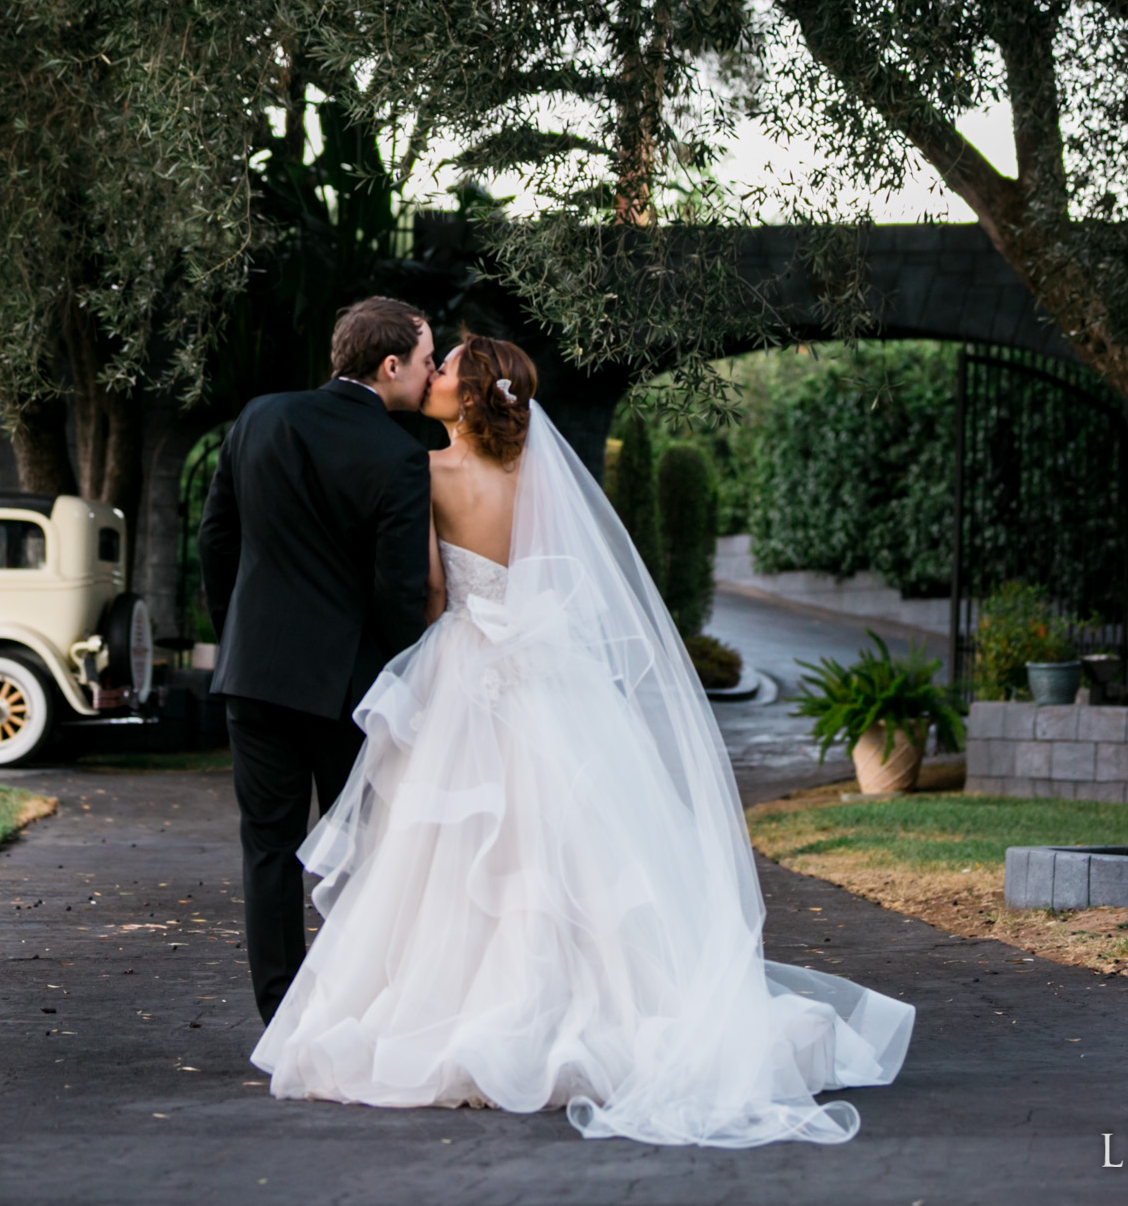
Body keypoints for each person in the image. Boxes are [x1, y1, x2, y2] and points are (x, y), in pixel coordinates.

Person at [249, 334, 915, 1149]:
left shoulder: (425, 474)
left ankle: (470, 1015)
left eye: (448, 366)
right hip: (549, 671)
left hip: (466, 667)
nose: (437, 374)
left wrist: (442, 628)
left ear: (467, 394)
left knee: (456, 852)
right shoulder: (542, 477)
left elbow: (426, 589)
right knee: (575, 847)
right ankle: (590, 1009)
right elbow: (566, 577)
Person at [196, 295, 439, 1022]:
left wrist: (239, 634)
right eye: (427, 361)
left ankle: (281, 1016)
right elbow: (398, 593)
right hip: (347, 690)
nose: (430, 376)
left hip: (256, 676)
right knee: (360, 851)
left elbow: (216, 539)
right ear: (390, 364)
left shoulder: (260, 416)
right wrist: (403, 681)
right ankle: (351, 1007)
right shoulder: (400, 454)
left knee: (267, 849)